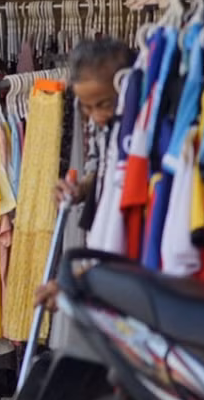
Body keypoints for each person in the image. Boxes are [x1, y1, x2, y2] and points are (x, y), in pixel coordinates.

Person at [37, 37, 134, 310]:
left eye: (104, 104)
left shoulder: (141, 133)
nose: (96, 116)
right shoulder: (100, 125)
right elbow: (99, 169)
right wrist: (79, 189)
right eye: (86, 108)